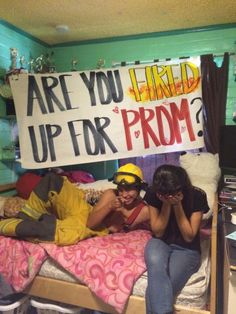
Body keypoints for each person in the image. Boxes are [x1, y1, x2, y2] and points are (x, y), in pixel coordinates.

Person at [0, 163, 149, 246]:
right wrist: (110, 207)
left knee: (43, 229)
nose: (124, 194)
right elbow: (90, 221)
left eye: (129, 190)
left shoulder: (143, 210)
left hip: (92, 231)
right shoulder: (111, 194)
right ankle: (26, 216)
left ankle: (9, 225)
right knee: (52, 180)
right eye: (121, 189)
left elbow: (160, 227)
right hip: (85, 214)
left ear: (139, 188)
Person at [143, 164, 209, 314]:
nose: (167, 196)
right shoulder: (153, 194)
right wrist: (166, 204)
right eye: (163, 194)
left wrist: (177, 205)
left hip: (187, 249)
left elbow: (189, 236)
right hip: (160, 242)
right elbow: (158, 232)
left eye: (171, 193)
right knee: (156, 267)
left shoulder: (197, 195)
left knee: (157, 291)